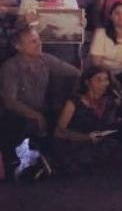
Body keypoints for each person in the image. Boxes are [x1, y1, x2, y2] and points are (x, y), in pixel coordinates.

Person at [0, 26, 80, 179]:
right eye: (33, 41)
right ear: (18, 46)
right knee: (12, 121)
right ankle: (13, 162)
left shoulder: (46, 59)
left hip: (42, 110)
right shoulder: (10, 67)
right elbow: (10, 101)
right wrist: (35, 115)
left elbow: (75, 73)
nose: (39, 44)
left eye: (39, 40)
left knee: (65, 114)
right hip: (16, 115)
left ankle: (54, 159)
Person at [52, 66, 122, 174]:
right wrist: (86, 138)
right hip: (76, 144)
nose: (104, 84)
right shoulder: (73, 103)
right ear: (87, 82)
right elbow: (59, 132)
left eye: (106, 80)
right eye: (99, 80)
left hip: (99, 143)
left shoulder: (108, 102)